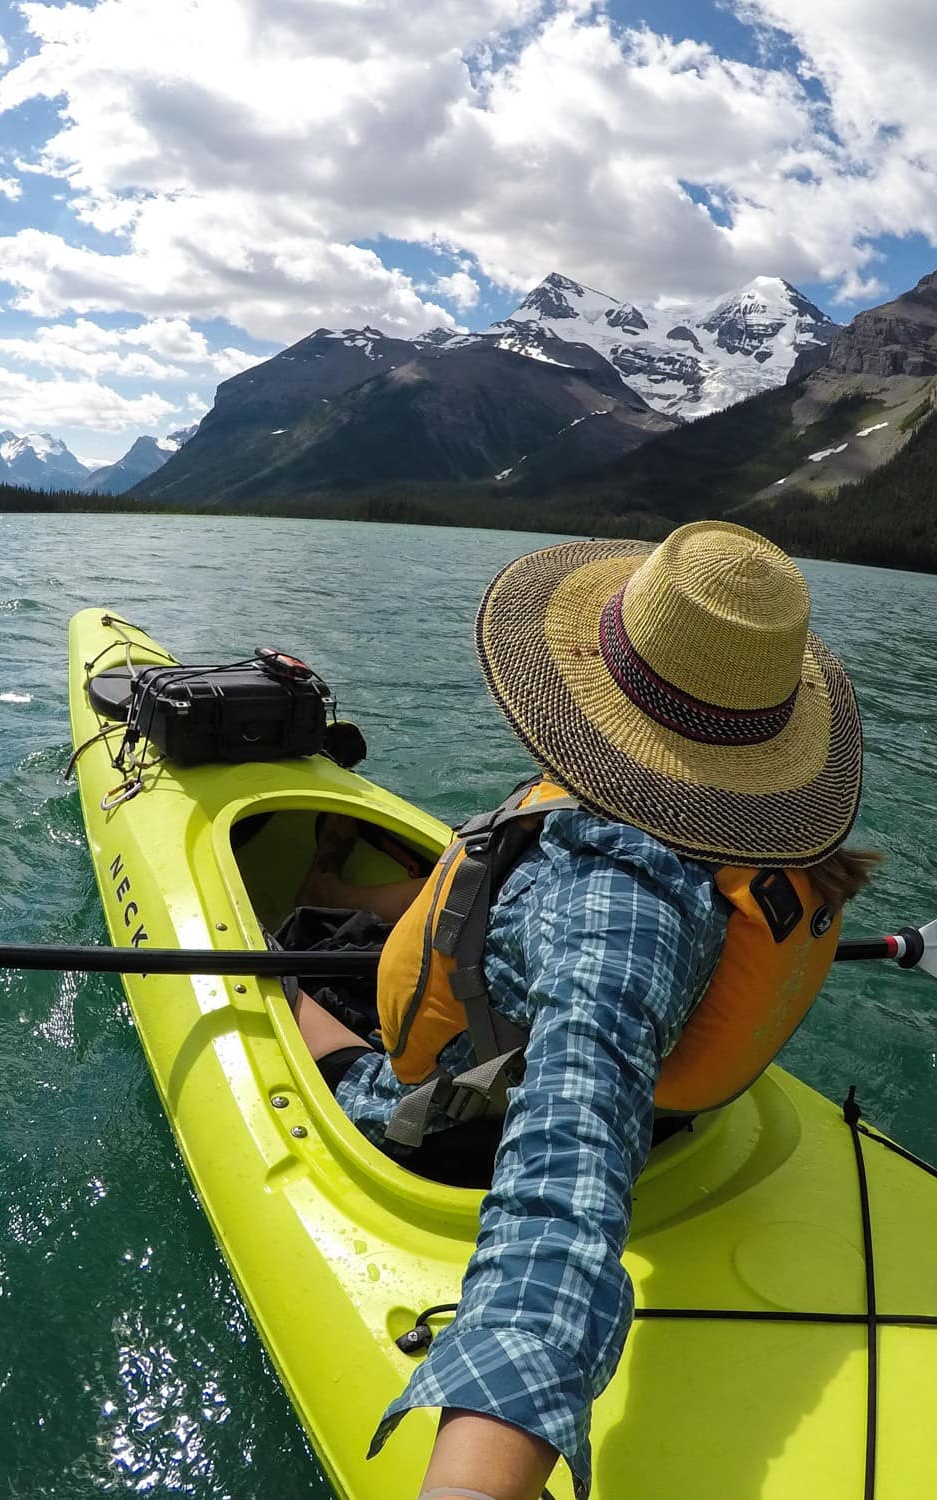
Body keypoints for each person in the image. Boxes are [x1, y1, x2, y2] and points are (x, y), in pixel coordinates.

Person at [294, 521, 875, 1500]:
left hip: (466, 1123)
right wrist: (374, 907)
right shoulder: (729, 841)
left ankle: (301, 992)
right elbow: (496, 879)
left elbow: (564, 1176)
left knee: (291, 970)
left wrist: (473, 1483)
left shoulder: (614, 899)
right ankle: (346, 913)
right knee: (363, 927)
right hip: (661, 1106)